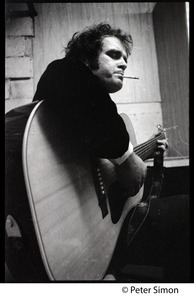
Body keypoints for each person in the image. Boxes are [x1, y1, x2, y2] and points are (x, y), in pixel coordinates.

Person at [33, 23, 189, 282]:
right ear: (85, 58)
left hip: (101, 230)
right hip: (68, 231)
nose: (124, 64)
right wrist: (126, 158)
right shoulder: (63, 73)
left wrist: (146, 151)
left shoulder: (99, 114)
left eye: (125, 59)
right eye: (114, 55)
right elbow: (71, 79)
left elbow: (99, 145)